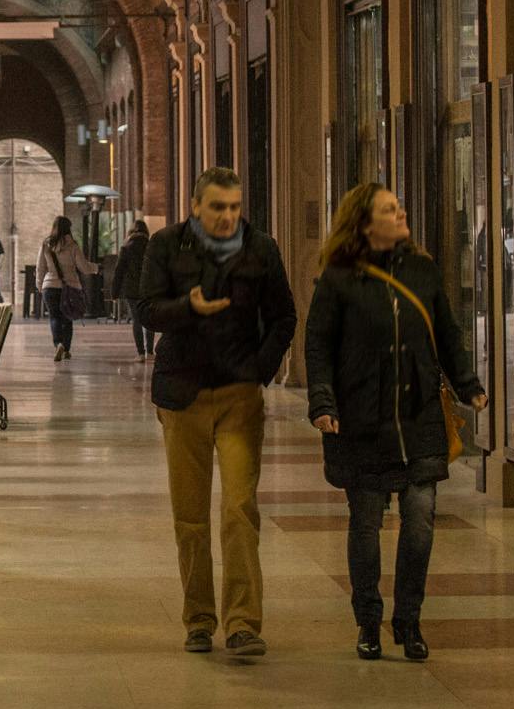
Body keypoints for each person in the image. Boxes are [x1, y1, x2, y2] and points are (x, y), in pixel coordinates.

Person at [304, 183, 487, 663]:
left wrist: (467, 384)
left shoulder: (422, 271)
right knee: (365, 522)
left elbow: (445, 332)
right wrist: (323, 402)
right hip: (361, 419)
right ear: (365, 223)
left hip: (419, 414)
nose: (401, 212)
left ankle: (409, 618)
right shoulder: (338, 278)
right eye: (390, 209)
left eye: (399, 206)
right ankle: (368, 621)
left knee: (421, 519)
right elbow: (318, 345)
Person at [138, 167, 296, 658]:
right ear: (195, 207)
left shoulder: (262, 249)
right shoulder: (166, 246)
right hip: (181, 394)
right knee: (190, 516)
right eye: (218, 207)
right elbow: (146, 309)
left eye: (234, 207)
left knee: (239, 510)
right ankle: (199, 620)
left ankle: (244, 622)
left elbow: (284, 316)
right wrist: (188, 307)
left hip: (237, 396)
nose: (228, 216)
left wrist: (259, 373)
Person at [37, 215, 96, 360]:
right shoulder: (73, 246)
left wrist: (39, 285)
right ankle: (66, 349)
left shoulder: (46, 244)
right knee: (67, 318)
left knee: (54, 317)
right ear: (68, 228)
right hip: (69, 287)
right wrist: (95, 268)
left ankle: (58, 344)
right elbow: (83, 267)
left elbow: (40, 268)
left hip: (49, 287)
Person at [110, 220, 155, 358]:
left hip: (132, 290)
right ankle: (150, 352)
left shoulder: (126, 247)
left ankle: (140, 353)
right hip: (149, 288)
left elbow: (119, 271)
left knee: (137, 319)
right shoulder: (152, 246)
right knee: (148, 319)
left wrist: (115, 292)